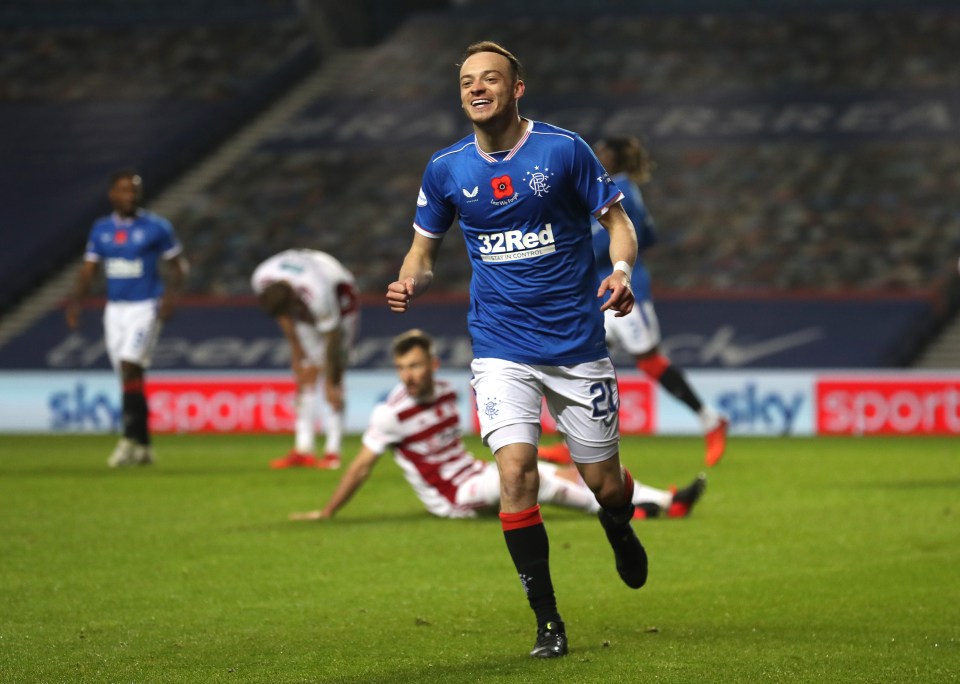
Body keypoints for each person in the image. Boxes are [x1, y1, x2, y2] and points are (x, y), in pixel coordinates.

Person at [386, 41, 647, 658]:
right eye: (467, 82)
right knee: (514, 473)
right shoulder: (446, 168)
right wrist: (410, 279)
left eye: (491, 79)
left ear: (517, 87)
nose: (477, 89)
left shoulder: (563, 150)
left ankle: (619, 524)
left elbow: (617, 223)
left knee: (606, 485)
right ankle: (548, 622)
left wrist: (621, 271)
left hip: (576, 345)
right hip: (501, 348)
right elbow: (423, 250)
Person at [290, 329, 706, 523]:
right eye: (402, 367)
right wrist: (327, 511)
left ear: (432, 365)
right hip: (454, 496)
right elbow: (362, 465)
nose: (408, 375)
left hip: (473, 473)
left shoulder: (448, 394)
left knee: (565, 471)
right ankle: (630, 513)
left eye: (415, 365)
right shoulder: (390, 414)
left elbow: (478, 444)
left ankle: (668, 500)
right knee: (539, 481)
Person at [539, 136, 729, 467]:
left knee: (649, 362)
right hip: (602, 293)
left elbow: (604, 241)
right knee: (573, 359)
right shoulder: (621, 190)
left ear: (614, 157)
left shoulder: (618, 188)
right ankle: (571, 444)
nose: (596, 157)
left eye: (602, 152)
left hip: (627, 294)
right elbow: (648, 236)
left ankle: (711, 420)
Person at [65, 169, 185, 467]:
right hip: (114, 310)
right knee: (130, 379)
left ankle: (127, 441)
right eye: (124, 190)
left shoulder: (157, 227)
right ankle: (144, 447)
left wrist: (169, 299)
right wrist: (75, 302)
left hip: (145, 307)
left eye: (134, 191)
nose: (129, 196)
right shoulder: (100, 229)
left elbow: (178, 267)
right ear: (112, 194)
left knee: (130, 365)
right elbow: (89, 269)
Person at [251, 249, 359, 470]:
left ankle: (332, 453)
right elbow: (283, 315)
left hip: (341, 300)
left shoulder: (317, 294)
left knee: (334, 378)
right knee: (306, 372)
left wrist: (331, 377)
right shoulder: (261, 278)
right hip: (305, 297)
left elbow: (332, 338)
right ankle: (303, 449)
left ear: (294, 299)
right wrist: (296, 351)